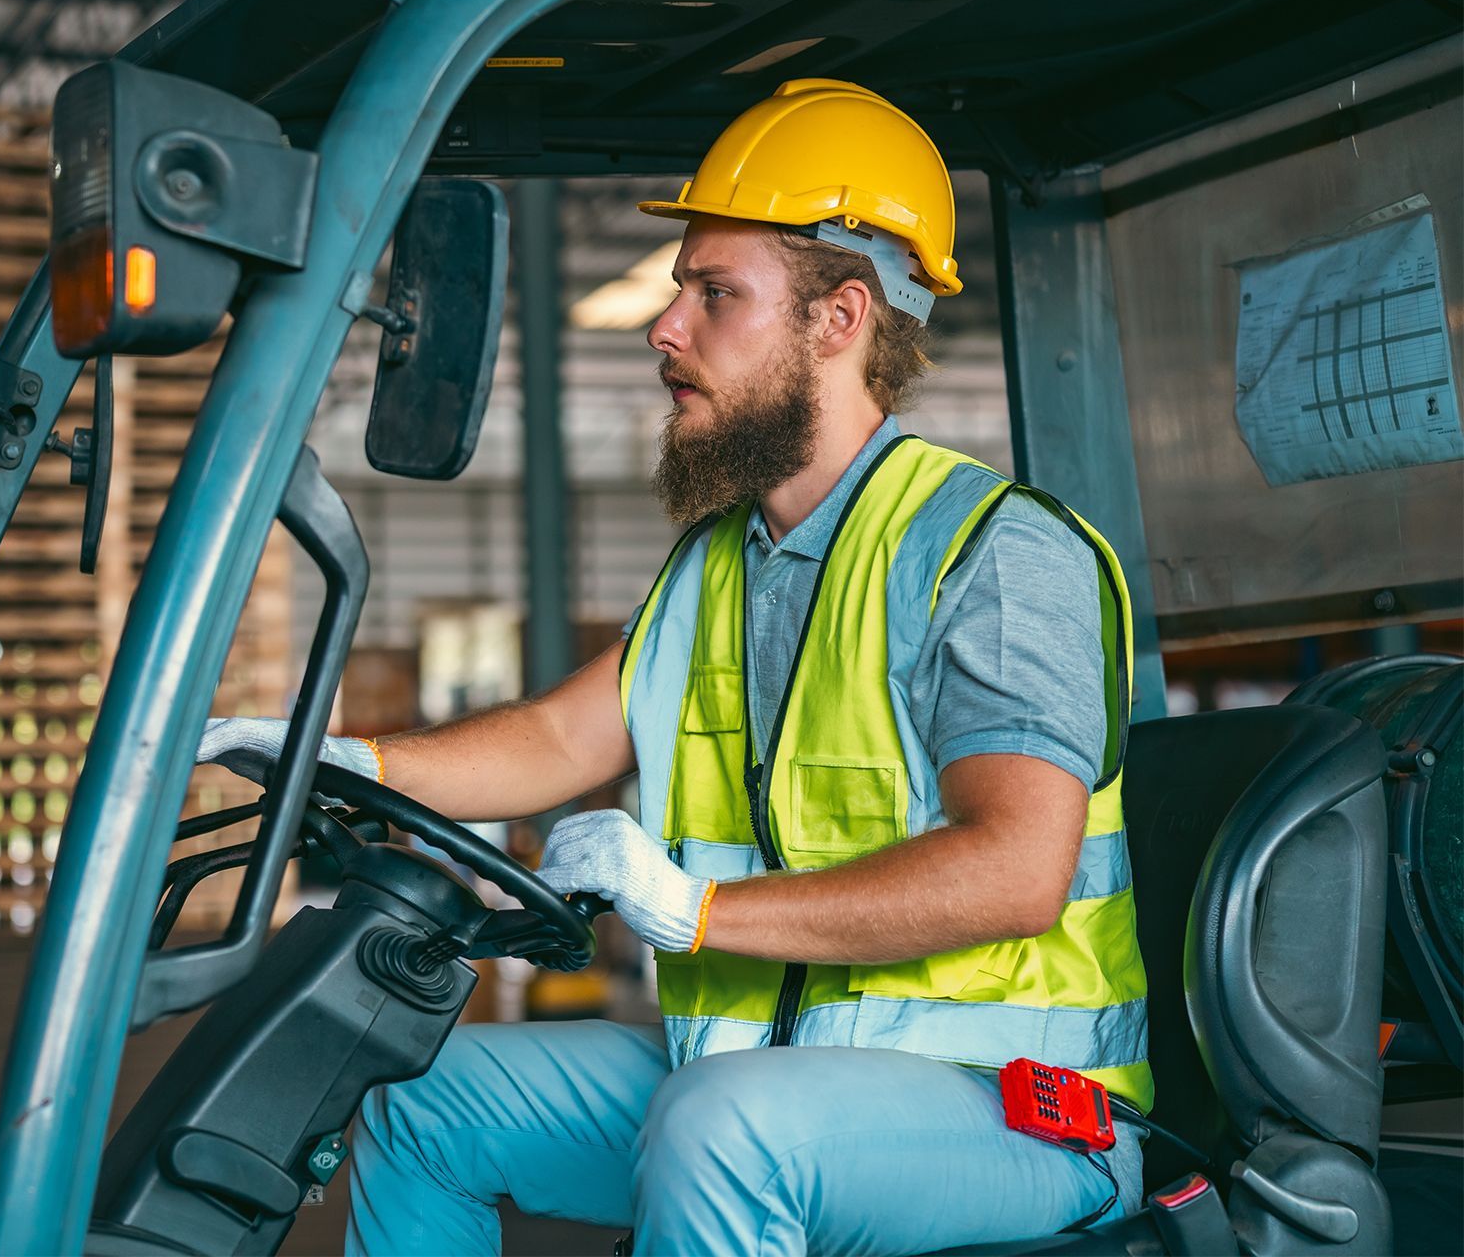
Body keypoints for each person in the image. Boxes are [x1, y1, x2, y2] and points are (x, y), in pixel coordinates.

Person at [197, 79, 1151, 1256]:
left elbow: (1017, 869)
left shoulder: (993, 551)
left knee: (722, 1127)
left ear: (839, 318)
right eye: (676, 291)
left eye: (715, 295)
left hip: (1010, 1109)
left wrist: (696, 909)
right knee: (415, 1092)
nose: (666, 327)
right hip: (770, 1074)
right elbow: (557, 741)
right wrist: (335, 760)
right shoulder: (721, 562)